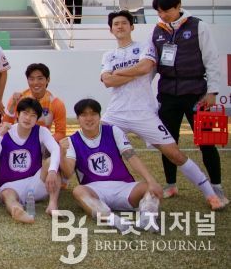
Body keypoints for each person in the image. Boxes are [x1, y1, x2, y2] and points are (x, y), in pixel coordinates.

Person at [107, 4, 227, 208]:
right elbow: (109, 80)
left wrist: (212, 91)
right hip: (167, 97)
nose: (162, 15)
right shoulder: (156, 32)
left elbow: (146, 67)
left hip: (196, 95)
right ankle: (170, 184)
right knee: (169, 145)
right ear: (111, 29)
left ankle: (215, 190)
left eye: (166, 11)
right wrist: (134, 73)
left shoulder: (198, 26)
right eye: (159, 12)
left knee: (204, 143)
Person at [60, 98, 162, 233]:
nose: (89, 118)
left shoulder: (113, 131)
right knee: (78, 190)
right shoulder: (72, 141)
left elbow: (131, 157)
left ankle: (147, 219)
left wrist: (151, 181)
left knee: (150, 187)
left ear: (99, 116)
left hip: (123, 186)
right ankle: (113, 220)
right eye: (84, 115)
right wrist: (62, 153)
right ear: (78, 118)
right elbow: (67, 173)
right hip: (95, 190)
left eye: (93, 114)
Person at [0, 98, 61, 223]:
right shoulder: (6, 133)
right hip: (10, 185)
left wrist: (52, 171)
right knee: (8, 195)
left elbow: (55, 149)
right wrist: (0, 135)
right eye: (25, 113)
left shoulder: (41, 131)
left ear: (37, 119)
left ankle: (52, 205)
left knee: (53, 163)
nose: (28, 118)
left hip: (35, 182)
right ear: (17, 114)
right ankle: (17, 210)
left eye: (33, 115)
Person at [4, 63, 67, 142]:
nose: (36, 82)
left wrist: (44, 143)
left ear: (48, 80)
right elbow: (6, 125)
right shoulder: (17, 98)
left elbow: (60, 133)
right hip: (18, 141)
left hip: (42, 144)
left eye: (40, 78)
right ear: (27, 80)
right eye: (31, 79)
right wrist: (13, 105)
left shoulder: (56, 103)